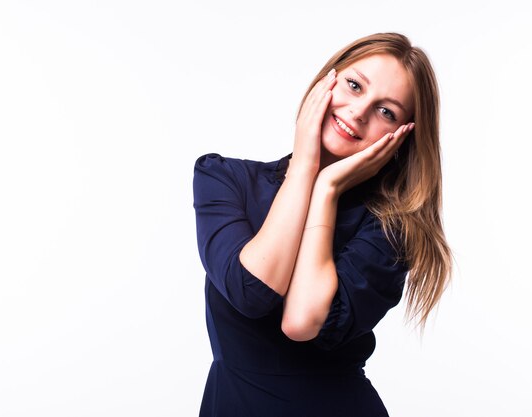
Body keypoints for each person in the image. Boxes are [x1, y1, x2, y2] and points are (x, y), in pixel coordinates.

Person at [192, 32, 452, 417]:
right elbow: (251, 291)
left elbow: (301, 322)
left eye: (387, 112)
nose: (359, 111)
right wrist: (306, 169)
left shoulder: (393, 229)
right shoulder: (225, 179)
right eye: (353, 85)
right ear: (324, 81)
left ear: (402, 139)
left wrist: (326, 189)